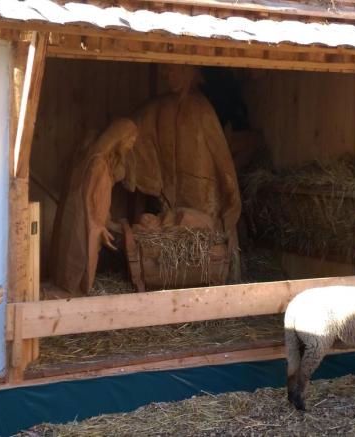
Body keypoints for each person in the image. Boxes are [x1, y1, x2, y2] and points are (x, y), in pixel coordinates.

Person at [125, 65, 243, 281]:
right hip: (172, 191)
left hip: (202, 193)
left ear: (190, 72)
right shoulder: (161, 107)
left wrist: (231, 194)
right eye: (167, 73)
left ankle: (213, 281)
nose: (170, 77)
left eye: (175, 72)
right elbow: (132, 126)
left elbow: (221, 155)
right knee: (173, 235)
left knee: (204, 239)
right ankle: (173, 282)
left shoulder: (202, 109)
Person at [50, 118, 139, 294]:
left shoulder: (99, 162)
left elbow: (99, 203)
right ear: (120, 138)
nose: (131, 146)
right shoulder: (98, 164)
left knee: (78, 273)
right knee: (78, 271)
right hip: (82, 227)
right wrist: (98, 227)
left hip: (87, 226)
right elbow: (89, 201)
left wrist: (106, 222)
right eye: (130, 140)